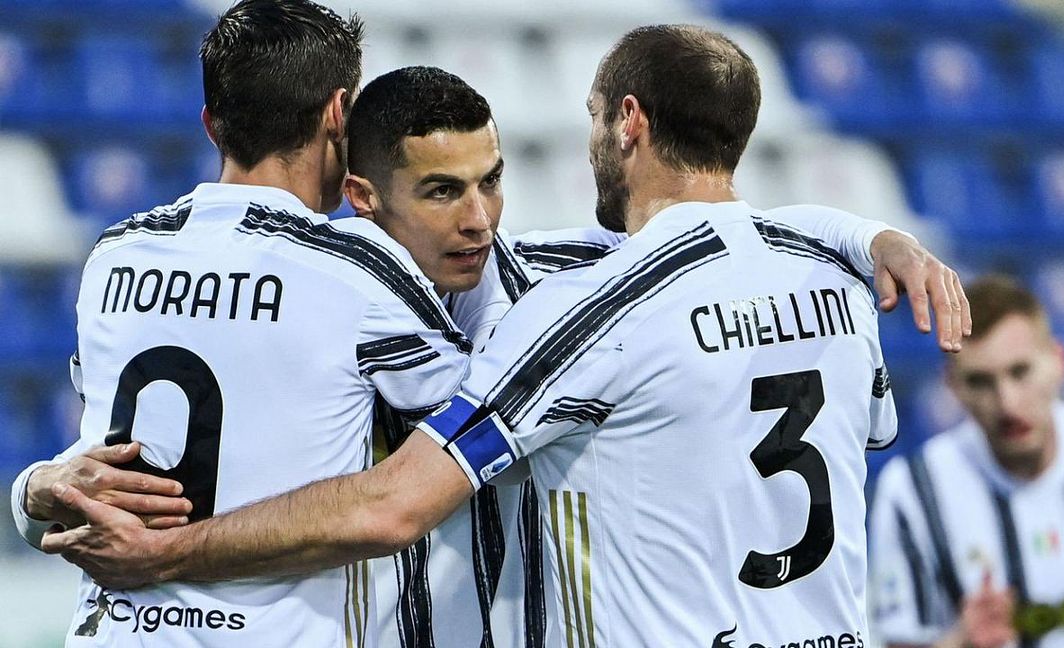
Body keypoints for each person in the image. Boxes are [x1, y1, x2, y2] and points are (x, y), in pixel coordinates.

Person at [37, 24, 972, 646]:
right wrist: (42, 487)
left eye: (492, 181)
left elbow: (692, 251)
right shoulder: (363, 283)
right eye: (443, 191)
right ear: (361, 191)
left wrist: (867, 232)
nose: (481, 219)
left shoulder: (546, 283)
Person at [6, 2, 482, 646]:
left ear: (211, 124)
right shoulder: (358, 268)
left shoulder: (116, 254)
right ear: (340, 113)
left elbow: (92, 462)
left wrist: (33, 486)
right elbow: (475, 437)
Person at [869, 275, 1064, 648]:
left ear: (1059, 362)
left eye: (1020, 371)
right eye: (981, 382)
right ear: (952, 386)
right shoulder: (914, 491)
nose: (1007, 403)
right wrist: (960, 642)